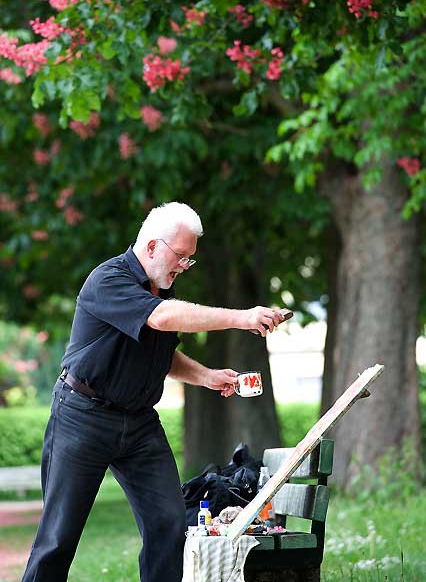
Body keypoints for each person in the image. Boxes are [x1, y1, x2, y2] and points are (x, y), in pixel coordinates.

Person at [22, 201, 285, 582]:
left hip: (140, 424)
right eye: (180, 256)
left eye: (189, 260)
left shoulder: (161, 289)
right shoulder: (108, 280)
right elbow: (161, 319)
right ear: (151, 247)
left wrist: (207, 376)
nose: (183, 266)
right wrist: (242, 318)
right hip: (83, 416)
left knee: (168, 523)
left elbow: (162, 354)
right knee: (59, 537)